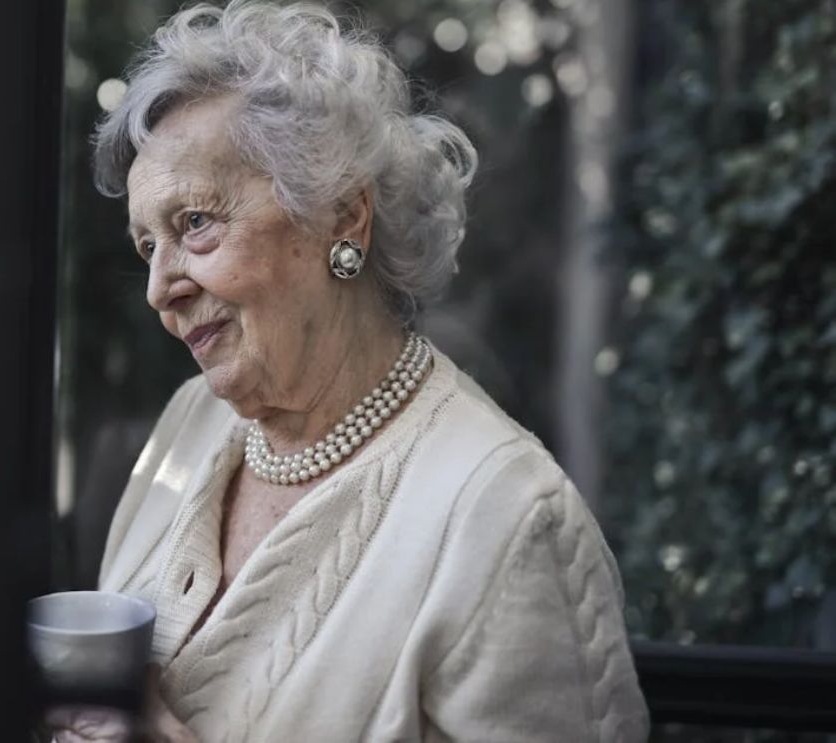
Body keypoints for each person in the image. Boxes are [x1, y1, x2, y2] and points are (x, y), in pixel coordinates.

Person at [57, 1, 649, 740]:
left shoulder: (506, 520)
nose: (159, 287)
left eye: (195, 223)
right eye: (148, 246)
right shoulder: (187, 425)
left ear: (342, 217)